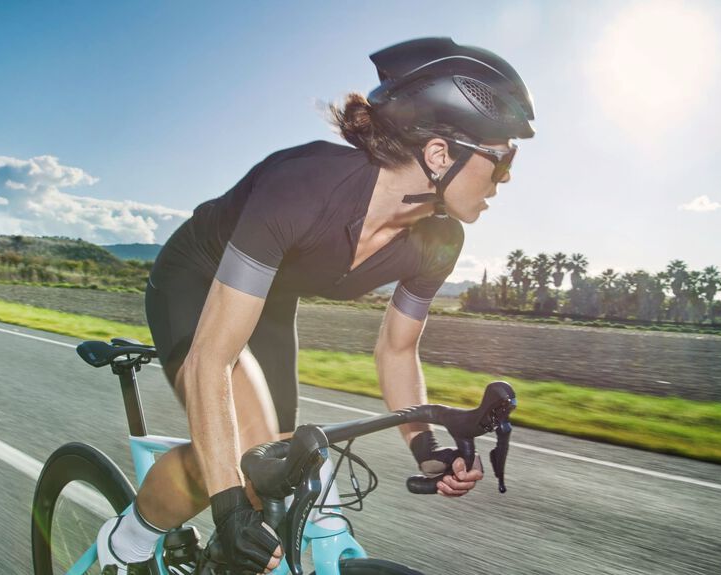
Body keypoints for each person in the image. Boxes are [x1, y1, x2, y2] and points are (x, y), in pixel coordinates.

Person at [95, 37, 535, 574]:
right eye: (502, 158)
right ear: (440, 153)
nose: (506, 178)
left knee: (277, 463)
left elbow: (396, 352)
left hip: (272, 299)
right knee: (245, 466)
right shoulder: (301, 187)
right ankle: (127, 540)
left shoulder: (438, 241)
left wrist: (426, 445)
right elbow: (212, 359)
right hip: (196, 276)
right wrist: (229, 504)